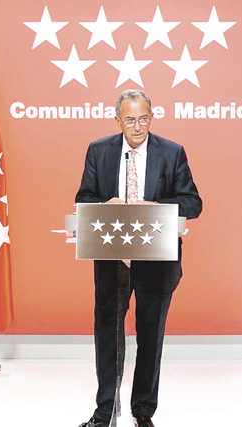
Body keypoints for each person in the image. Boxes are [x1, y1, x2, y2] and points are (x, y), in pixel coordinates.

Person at [75, 89, 202, 427]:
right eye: (130, 119)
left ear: (152, 117)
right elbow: (83, 198)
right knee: (108, 334)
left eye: (143, 118)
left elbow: (193, 204)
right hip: (111, 258)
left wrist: (157, 207)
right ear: (118, 120)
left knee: (150, 336)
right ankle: (105, 412)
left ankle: (143, 412)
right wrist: (105, 205)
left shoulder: (172, 152)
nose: (137, 126)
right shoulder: (99, 151)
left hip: (157, 261)